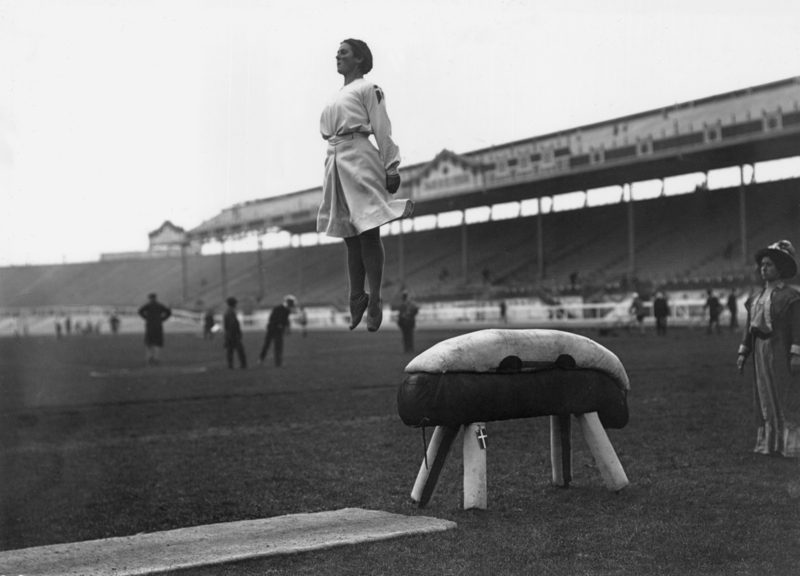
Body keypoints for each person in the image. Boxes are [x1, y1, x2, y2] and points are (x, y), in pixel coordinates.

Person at [317, 39, 412, 333]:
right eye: (337, 52)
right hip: (335, 160)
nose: (337, 55)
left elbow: (381, 126)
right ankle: (356, 295)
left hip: (359, 158)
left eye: (343, 52)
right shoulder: (336, 95)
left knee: (368, 230)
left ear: (359, 59)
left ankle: (376, 299)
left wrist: (391, 165)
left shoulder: (369, 88)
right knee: (349, 233)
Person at [737, 240, 800, 458]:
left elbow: (797, 327)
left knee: (784, 391)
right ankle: (769, 443)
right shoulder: (755, 298)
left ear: (780, 269)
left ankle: (790, 444)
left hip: (780, 347)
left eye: (770, 264)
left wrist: (796, 353)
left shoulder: (790, 296)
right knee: (764, 392)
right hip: (760, 349)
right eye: (762, 264)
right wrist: (743, 351)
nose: (764, 268)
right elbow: (750, 327)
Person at [259, 295, 295, 367]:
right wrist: (278, 324)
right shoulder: (277, 309)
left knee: (278, 347)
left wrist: (287, 328)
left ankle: (278, 363)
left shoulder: (287, 310)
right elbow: (271, 319)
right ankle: (260, 359)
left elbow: (286, 320)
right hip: (271, 330)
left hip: (279, 331)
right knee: (266, 345)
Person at [138, 293, 172, 365]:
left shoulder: (148, 305)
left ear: (149, 298)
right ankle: (156, 358)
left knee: (149, 342)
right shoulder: (159, 305)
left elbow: (140, 311)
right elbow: (168, 312)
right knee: (157, 342)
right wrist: (162, 319)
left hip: (150, 325)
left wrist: (146, 317)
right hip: (158, 325)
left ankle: (149, 357)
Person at [223, 297, 247, 369]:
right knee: (240, 350)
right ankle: (243, 365)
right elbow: (233, 324)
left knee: (230, 351)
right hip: (233, 335)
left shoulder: (227, 312)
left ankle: (230, 365)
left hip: (229, 334)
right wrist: (237, 334)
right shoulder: (231, 313)